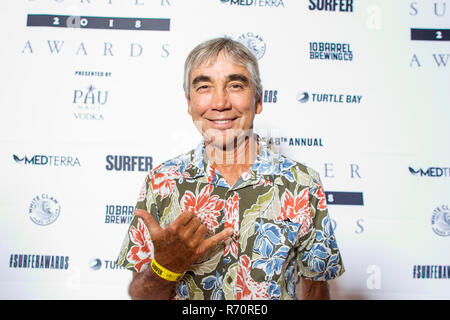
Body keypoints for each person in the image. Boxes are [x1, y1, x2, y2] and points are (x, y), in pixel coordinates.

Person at [116, 37, 344, 300]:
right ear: (189, 103)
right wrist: (165, 267)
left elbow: (315, 291)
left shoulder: (302, 183)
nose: (220, 102)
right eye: (204, 87)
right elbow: (140, 297)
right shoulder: (161, 182)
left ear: (258, 99)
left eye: (235, 85)